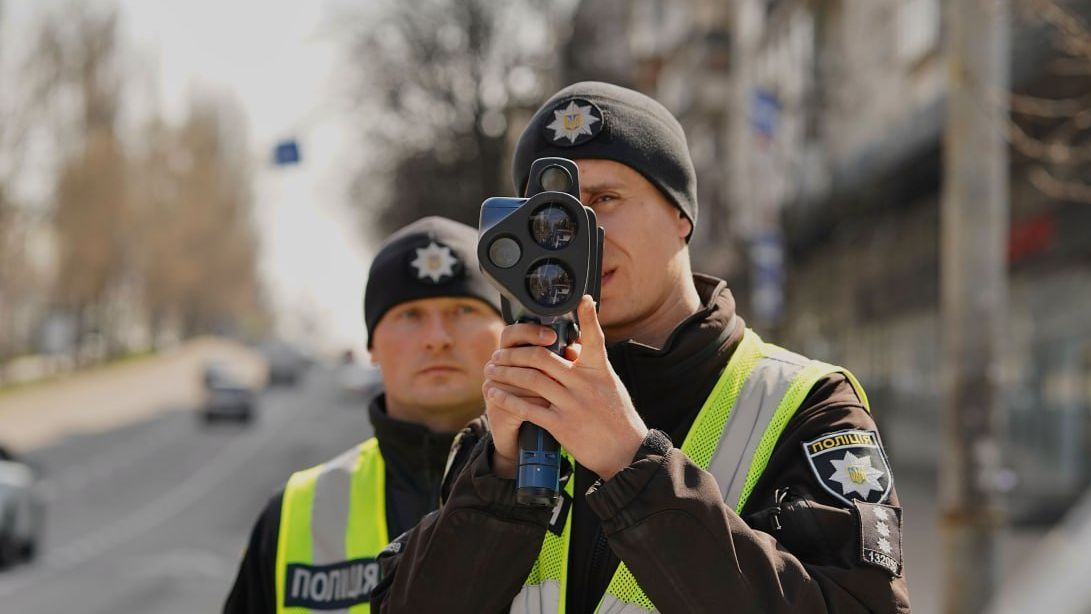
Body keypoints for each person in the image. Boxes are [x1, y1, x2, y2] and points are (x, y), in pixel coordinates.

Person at [371, 82, 912, 613]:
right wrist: (500, 485)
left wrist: (634, 464)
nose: (581, 235)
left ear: (682, 215)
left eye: (605, 200)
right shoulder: (505, 428)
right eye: (552, 216)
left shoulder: (806, 404)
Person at [224, 217, 504, 613]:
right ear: (371, 345)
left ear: (506, 328)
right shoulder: (294, 515)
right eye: (410, 315)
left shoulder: (575, 487)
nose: (437, 338)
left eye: (462, 309)